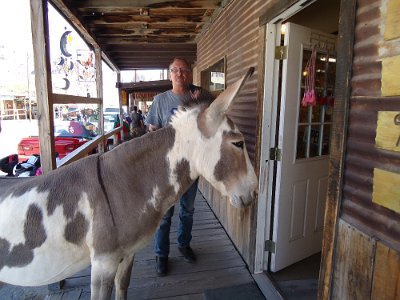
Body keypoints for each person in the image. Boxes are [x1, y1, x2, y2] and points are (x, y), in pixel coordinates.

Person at [145, 57, 214, 276]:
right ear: (169, 74)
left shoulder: (200, 95)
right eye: (175, 70)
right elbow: (152, 130)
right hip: (168, 168)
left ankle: (184, 245)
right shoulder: (160, 100)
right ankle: (161, 255)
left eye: (183, 70)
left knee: (188, 210)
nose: (179, 73)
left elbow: (213, 119)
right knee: (165, 213)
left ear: (190, 73)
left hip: (191, 166)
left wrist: (200, 102)